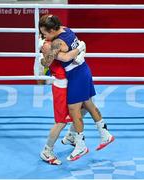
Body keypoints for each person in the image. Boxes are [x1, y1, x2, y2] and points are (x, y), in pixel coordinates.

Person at [39, 14, 115, 161]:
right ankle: (104, 134)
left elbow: (53, 61)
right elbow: (74, 48)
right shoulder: (66, 29)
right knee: (87, 105)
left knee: (75, 112)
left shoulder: (56, 43)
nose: (44, 35)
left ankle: (81, 146)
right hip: (84, 70)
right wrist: (80, 48)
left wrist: (43, 56)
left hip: (75, 76)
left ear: (53, 29)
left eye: (45, 33)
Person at [35, 36, 86, 165]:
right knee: (61, 121)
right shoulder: (47, 46)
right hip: (61, 86)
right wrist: (80, 47)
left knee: (84, 107)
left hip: (72, 82)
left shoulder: (57, 39)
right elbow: (67, 57)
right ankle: (47, 151)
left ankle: (71, 135)